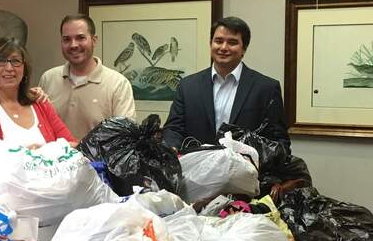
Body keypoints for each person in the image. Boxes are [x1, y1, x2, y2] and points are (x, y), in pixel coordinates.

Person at [162, 16, 291, 152]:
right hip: (196, 169)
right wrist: (171, 148)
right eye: (218, 41)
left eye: (232, 42)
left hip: (246, 170)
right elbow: (174, 128)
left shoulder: (266, 88)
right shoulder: (188, 86)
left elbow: (279, 141)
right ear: (210, 43)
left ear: (244, 49)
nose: (223, 47)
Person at [0, 37, 75, 153]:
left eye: (15, 61)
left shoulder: (40, 103)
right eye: (1, 61)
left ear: (24, 69)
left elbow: (73, 146)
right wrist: (25, 154)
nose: (9, 68)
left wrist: (43, 151)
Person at [39, 14, 136, 140]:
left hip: (98, 160)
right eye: (67, 39)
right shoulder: (48, 79)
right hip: (53, 159)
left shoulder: (118, 84)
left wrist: (79, 149)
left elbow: (125, 139)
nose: (73, 45)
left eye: (80, 38)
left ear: (94, 40)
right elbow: (39, 127)